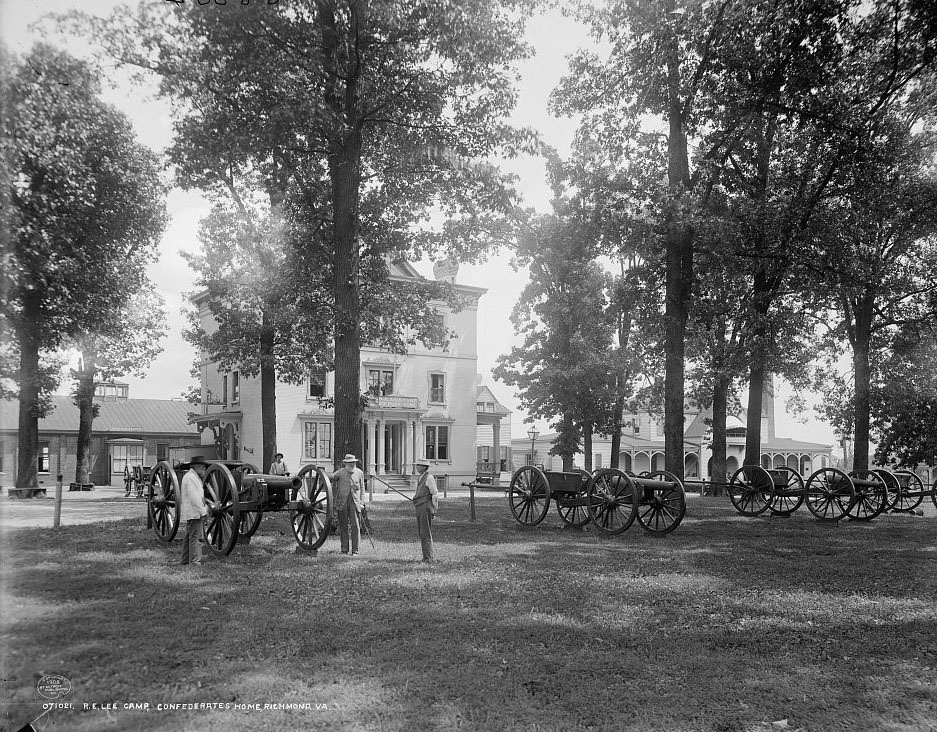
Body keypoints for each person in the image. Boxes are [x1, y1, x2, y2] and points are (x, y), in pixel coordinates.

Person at [330, 454, 365, 555]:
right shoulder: (340, 472)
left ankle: (355, 550)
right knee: (343, 526)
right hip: (342, 502)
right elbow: (331, 478)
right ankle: (344, 549)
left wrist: (362, 502)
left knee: (355, 526)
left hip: (355, 502)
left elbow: (362, 488)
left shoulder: (359, 472)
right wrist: (321, 470)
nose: (352, 464)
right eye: (350, 462)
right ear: (345, 463)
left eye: (353, 462)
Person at [179, 455, 209, 565]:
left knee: (189, 537)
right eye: (203, 468)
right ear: (198, 467)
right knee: (196, 538)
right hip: (194, 512)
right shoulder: (191, 478)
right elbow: (195, 498)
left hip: (192, 511)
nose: (204, 470)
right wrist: (203, 512)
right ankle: (195, 561)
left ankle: (185, 560)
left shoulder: (191, 476)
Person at [413, 458, 439, 563]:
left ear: (424, 467)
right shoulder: (420, 477)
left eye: (418, 465)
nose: (417, 467)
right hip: (419, 506)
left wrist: (434, 509)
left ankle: (428, 558)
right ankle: (426, 557)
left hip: (426, 506)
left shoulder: (429, 477)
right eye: (417, 465)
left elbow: (434, 493)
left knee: (425, 532)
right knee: (421, 532)